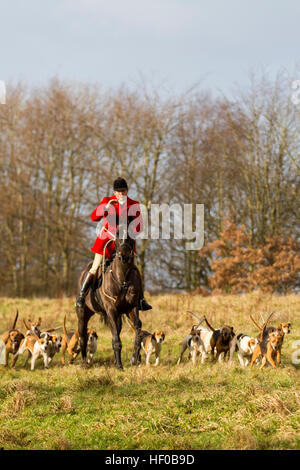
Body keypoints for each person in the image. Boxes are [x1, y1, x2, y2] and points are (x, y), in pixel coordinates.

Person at [76, 177, 152, 311]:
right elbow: (93, 217)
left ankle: (140, 300)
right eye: (118, 192)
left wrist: (129, 233)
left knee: (134, 270)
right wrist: (103, 208)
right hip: (107, 241)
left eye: (123, 191)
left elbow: (139, 226)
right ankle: (82, 296)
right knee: (94, 268)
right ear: (114, 192)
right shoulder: (107, 201)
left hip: (125, 244)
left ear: (127, 191)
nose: (121, 194)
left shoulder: (134, 204)